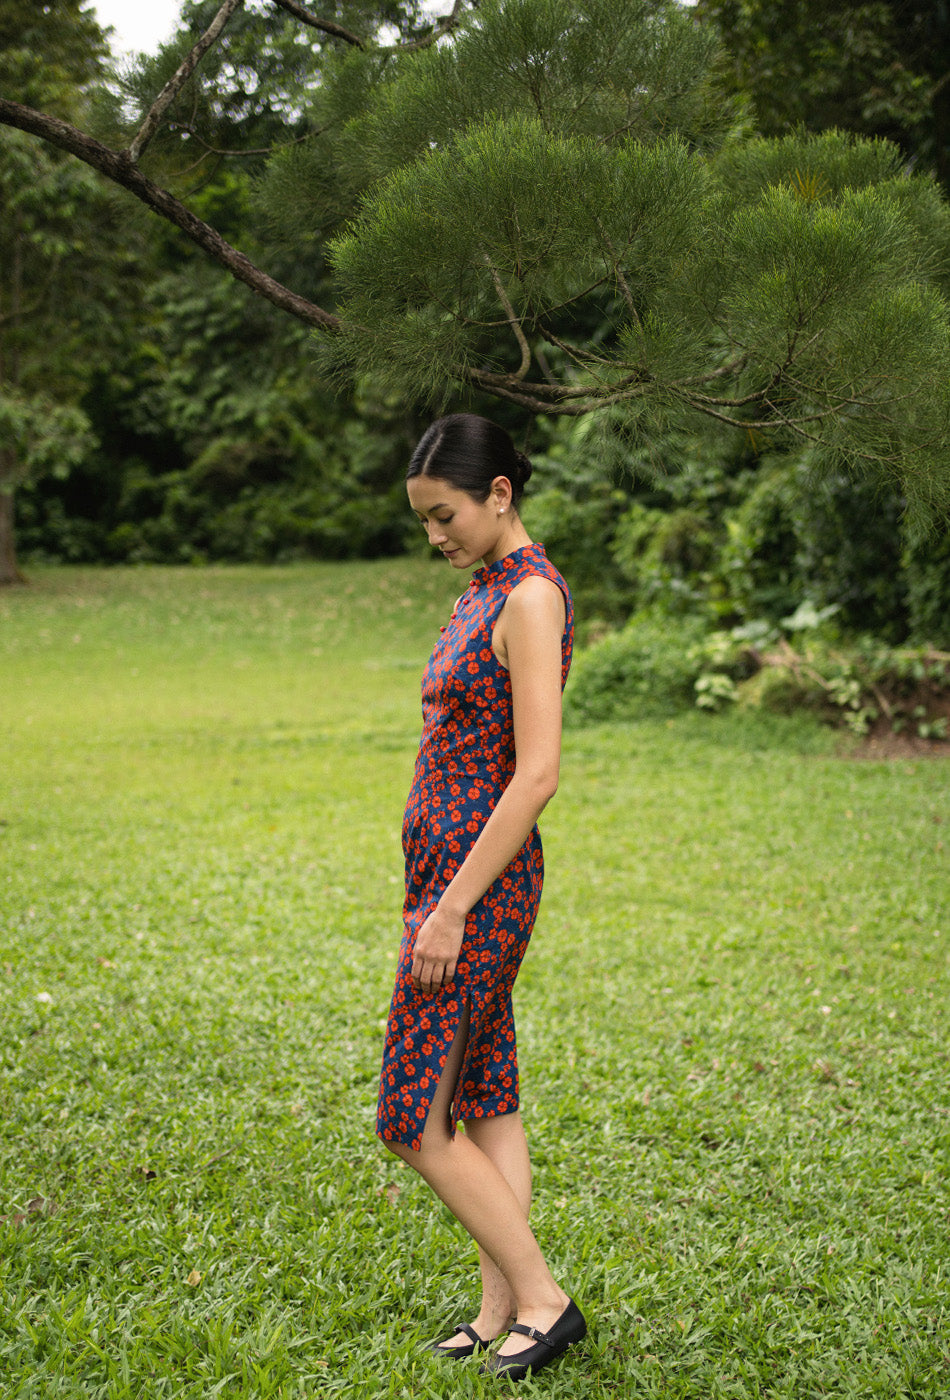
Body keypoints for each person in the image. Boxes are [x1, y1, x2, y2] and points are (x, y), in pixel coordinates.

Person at [376, 413, 586, 1380]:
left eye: (444, 514)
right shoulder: (485, 588)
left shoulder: (531, 597)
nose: (435, 535)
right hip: (446, 877)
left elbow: (536, 773)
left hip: (478, 888)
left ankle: (545, 1301)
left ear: (499, 494)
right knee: (485, 1096)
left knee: (412, 1119)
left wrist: (452, 909)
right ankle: (501, 1310)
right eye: (423, 519)